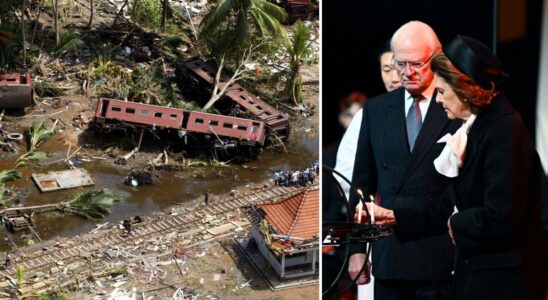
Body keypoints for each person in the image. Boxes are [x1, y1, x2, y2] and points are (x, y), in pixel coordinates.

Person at [360, 35, 546, 300]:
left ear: (465, 90)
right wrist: (394, 217)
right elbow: (447, 204)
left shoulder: (503, 132)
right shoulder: (481, 128)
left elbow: (501, 215)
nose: (437, 100)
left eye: (442, 91)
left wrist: (455, 223)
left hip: (502, 283)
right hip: (480, 277)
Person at [344, 21, 461, 299]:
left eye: (416, 64)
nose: (406, 73)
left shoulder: (455, 106)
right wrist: (357, 250)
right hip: (390, 256)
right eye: (399, 64)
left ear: (436, 58)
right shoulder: (376, 110)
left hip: (440, 255)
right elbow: (361, 185)